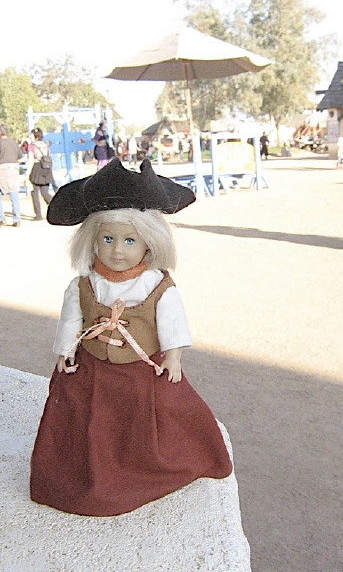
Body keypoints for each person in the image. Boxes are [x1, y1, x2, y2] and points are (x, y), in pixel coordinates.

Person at [30, 158, 232, 517]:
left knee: (159, 415)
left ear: (149, 244)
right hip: (92, 365)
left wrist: (173, 355)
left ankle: (145, 466)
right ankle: (81, 471)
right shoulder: (85, 283)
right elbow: (71, 317)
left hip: (141, 369)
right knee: (82, 417)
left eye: (128, 240)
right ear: (92, 241)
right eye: (107, 239)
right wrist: (65, 349)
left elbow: (172, 321)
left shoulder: (157, 285)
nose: (117, 250)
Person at [27, 127, 56, 221]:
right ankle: (55, 208)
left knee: (34, 192)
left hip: (36, 169)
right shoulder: (45, 146)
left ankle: (38, 214)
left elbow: (30, 160)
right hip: (46, 170)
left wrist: (27, 174)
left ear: (35, 136)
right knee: (45, 192)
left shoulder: (32, 146)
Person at [0, 124, 22, 227]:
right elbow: (20, 156)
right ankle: (16, 218)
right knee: (14, 194)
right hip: (13, 169)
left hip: (1, 169)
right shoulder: (13, 143)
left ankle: (1, 218)